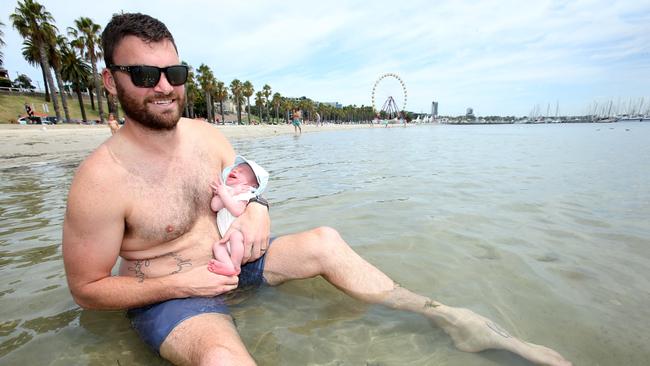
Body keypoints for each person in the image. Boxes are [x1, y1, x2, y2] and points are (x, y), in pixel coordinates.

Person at [62, 13, 570, 366]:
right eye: (145, 74)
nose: (164, 86)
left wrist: (259, 210)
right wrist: (184, 285)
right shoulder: (100, 179)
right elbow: (87, 291)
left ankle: (444, 318)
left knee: (325, 239)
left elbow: (245, 187)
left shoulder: (206, 135)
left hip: (234, 267)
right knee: (222, 356)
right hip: (172, 297)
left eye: (173, 72)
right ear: (111, 82)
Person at [210, 156, 269, 276]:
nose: (236, 170)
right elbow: (215, 206)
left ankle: (236, 266)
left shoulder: (246, 194)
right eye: (235, 169)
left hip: (241, 238)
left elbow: (237, 211)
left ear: (253, 185)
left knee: (236, 236)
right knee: (217, 246)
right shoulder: (227, 191)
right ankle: (229, 266)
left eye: (242, 171)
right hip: (226, 239)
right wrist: (229, 192)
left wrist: (228, 193)